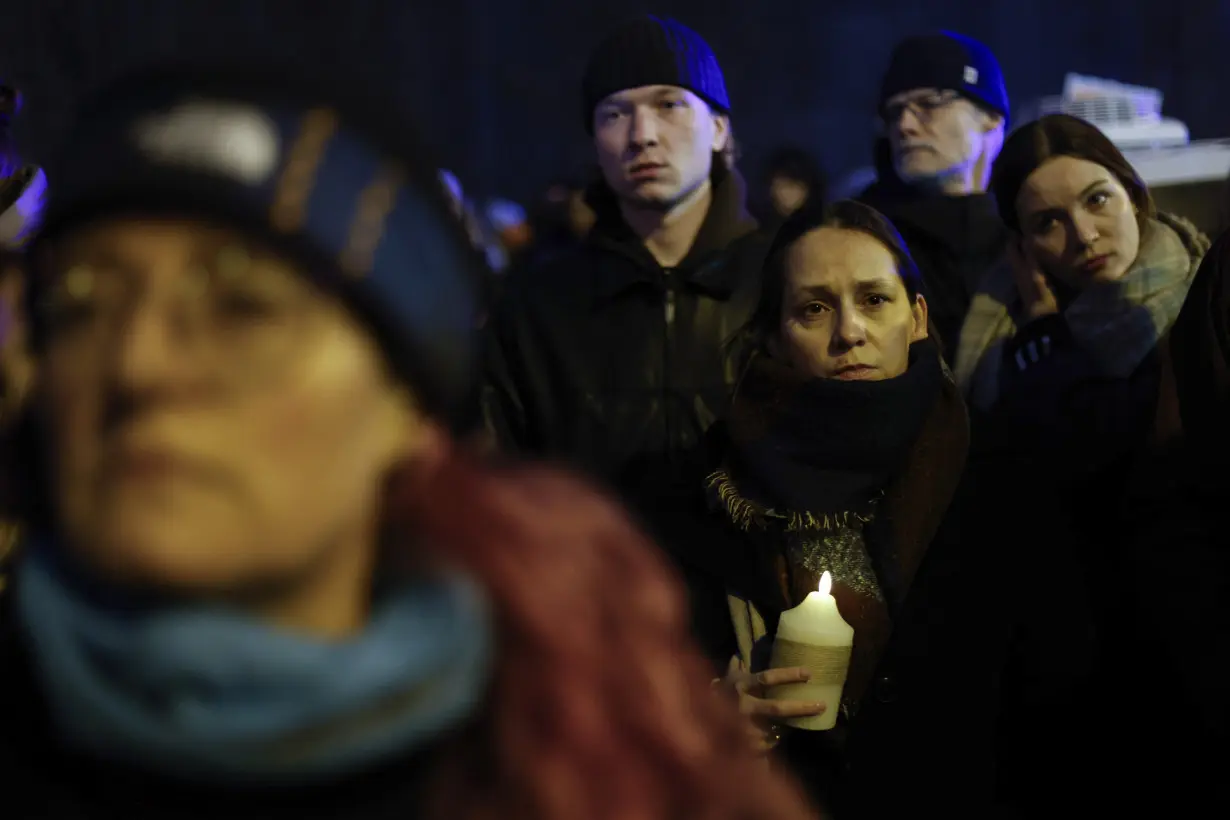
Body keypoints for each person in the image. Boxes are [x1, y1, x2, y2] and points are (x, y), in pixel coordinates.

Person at [0, 64, 821, 820]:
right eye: (79, 303)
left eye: (243, 307)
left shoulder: (592, 764)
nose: (136, 364)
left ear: (405, 406)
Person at [655, 198, 1090, 817]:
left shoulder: (1001, 473)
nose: (849, 331)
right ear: (777, 333)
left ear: (916, 317)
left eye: (874, 299)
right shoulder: (702, 494)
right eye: (813, 308)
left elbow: (1064, 700)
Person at [953, 113, 1210, 813]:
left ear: (1133, 193)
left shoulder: (1202, 299)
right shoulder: (1000, 344)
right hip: (1070, 678)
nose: (1084, 235)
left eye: (1097, 199)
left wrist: (1042, 335)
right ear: (1023, 246)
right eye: (1048, 222)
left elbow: (1105, 442)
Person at [482, 15, 768, 532]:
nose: (642, 136)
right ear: (594, 142)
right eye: (614, 114)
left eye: (669, 105)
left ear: (720, 128)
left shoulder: (785, 282)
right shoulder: (540, 305)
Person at [857, 31, 1010, 358]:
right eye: (895, 112)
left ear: (992, 117)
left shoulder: (1035, 225)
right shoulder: (863, 237)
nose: (905, 126)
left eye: (930, 103)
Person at [759, 145, 826, 227]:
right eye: (780, 186)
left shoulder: (824, 229)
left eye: (792, 186)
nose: (786, 193)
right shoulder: (760, 229)